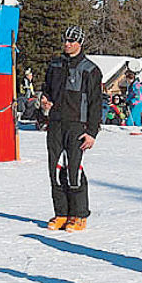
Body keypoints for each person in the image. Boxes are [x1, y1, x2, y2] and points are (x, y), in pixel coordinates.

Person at [40, 25, 102, 231]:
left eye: (72, 41)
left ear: (80, 42)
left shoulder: (90, 70)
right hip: (56, 124)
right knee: (55, 170)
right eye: (65, 40)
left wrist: (92, 132)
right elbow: (46, 90)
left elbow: (95, 104)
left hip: (77, 126)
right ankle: (61, 213)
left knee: (73, 170)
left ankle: (79, 214)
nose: (67, 44)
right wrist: (44, 101)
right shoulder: (55, 65)